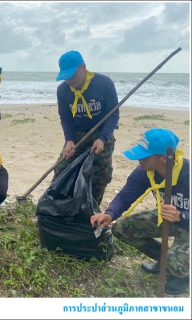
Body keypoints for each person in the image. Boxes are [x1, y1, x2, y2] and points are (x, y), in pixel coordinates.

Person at [90, 128, 190, 296]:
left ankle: (182, 274)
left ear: (164, 158)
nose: (139, 160)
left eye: (146, 156)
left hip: (187, 221)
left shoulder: (188, 174)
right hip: (166, 217)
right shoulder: (145, 172)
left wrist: (183, 216)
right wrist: (110, 213)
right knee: (122, 228)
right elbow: (125, 195)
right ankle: (164, 261)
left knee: (179, 265)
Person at [53, 50, 119, 206]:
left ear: (83, 67)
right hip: (76, 136)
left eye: (72, 75)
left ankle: (91, 212)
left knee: (98, 176)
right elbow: (66, 118)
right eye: (65, 76)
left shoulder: (104, 84)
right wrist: (69, 140)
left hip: (101, 134)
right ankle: (60, 208)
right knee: (61, 171)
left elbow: (113, 116)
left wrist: (102, 139)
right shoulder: (62, 90)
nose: (69, 80)